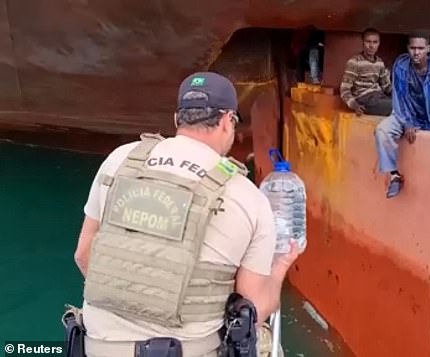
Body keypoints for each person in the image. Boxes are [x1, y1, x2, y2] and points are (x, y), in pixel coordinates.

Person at [70, 72, 299, 356]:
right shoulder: (248, 196)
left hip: (97, 349)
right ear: (228, 121)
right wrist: (279, 269)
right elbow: (252, 309)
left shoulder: (121, 159)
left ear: (178, 119)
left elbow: (83, 254)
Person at [374, 32, 430, 200]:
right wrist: (407, 123)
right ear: (408, 49)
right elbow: (399, 96)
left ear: (428, 49)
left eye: (420, 48)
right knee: (382, 131)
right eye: (413, 48)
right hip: (405, 114)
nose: (416, 52)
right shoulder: (401, 65)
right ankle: (394, 175)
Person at [339, 28, 392, 116]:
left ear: (379, 43)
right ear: (363, 42)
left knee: (404, 104)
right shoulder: (355, 62)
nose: (371, 46)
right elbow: (344, 89)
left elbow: (386, 86)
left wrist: (401, 95)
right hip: (364, 99)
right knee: (396, 108)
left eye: (375, 42)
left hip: (379, 97)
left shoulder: (379, 62)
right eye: (368, 42)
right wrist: (354, 105)